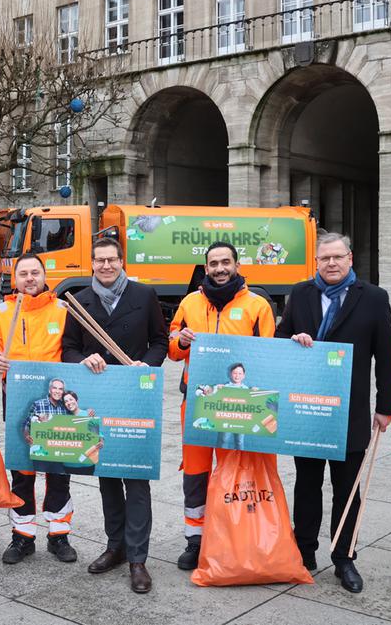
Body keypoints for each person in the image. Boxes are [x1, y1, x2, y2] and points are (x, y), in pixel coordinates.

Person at [276, 232, 391, 593]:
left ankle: (344, 558)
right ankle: (305, 551)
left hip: (350, 412)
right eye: (324, 258)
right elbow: (281, 339)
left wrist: (386, 406)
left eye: (337, 257)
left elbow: (386, 355)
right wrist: (293, 340)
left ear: (350, 258)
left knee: (347, 489)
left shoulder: (373, 298)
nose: (331, 263)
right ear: (316, 262)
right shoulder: (301, 293)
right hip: (308, 411)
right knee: (307, 485)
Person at [62, 237, 168, 595]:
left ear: (122, 261)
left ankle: (138, 558)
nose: (106, 266)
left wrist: (146, 365)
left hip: (134, 395)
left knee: (136, 480)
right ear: (92, 263)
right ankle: (115, 547)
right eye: (99, 260)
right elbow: (69, 348)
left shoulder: (144, 296)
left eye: (112, 260)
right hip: (98, 398)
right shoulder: (80, 301)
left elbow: (160, 340)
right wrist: (82, 360)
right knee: (106, 475)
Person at [168, 241, 275, 570]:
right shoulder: (189, 302)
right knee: (196, 474)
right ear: (206, 267)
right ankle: (195, 540)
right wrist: (181, 341)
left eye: (225, 262)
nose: (219, 268)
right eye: (213, 263)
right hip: (197, 403)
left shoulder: (258, 305)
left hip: (238, 409)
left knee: (236, 473)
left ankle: (231, 536)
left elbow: (268, 356)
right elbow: (172, 348)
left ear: (237, 265)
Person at [0, 254, 78, 564]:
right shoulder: (0, 312)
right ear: (15, 278)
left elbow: (75, 352)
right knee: (22, 472)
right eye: (23, 273)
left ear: (44, 274)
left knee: (58, 471)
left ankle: (59, 535)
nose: (29, 278)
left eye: (35, 272)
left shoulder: (63, 311)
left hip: (57, 405)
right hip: (19, 401)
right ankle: (22, 537)